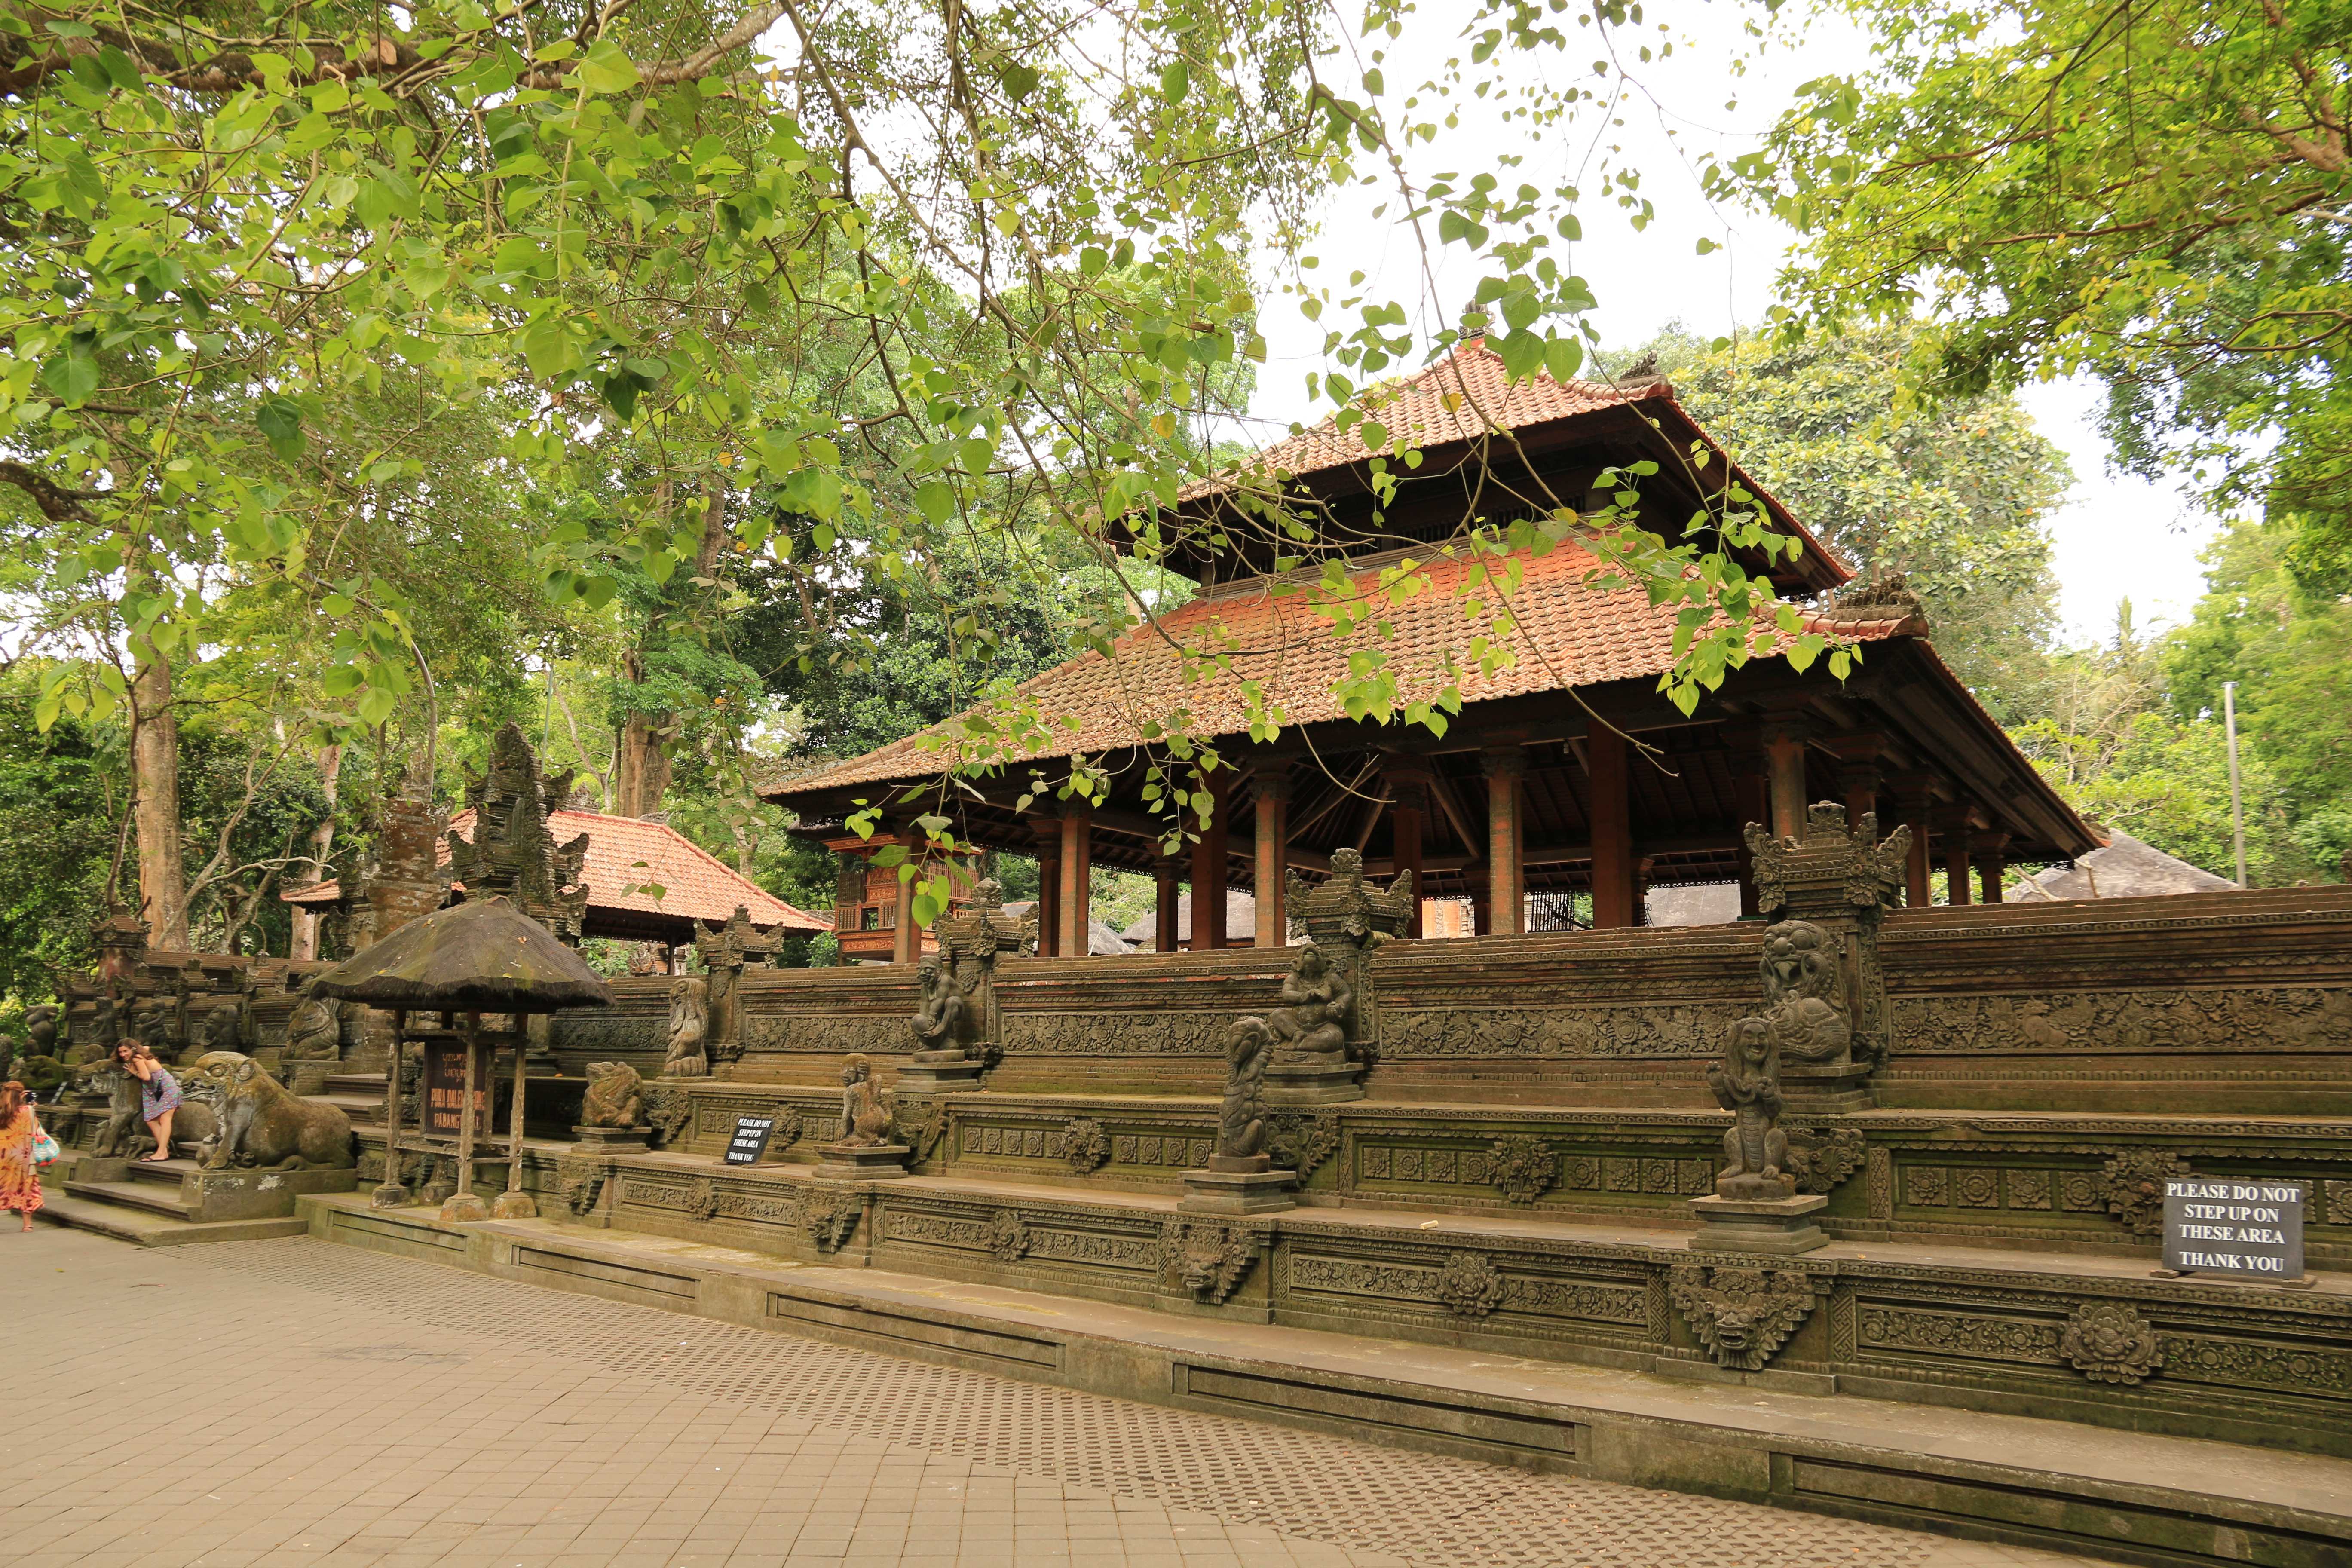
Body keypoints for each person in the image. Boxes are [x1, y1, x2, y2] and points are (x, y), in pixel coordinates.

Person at [124, 1044, 181, 1162]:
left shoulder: (137, 1058)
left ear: (132, 1050)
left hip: (166, 1087)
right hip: (154, 1090)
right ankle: (164, 1151)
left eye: (125, 1051)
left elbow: (145, 1076)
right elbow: (147, 1047)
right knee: (151, 1120)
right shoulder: (141, 1053)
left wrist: (134, 1072)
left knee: (165, 1119)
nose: (123, 1054)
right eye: (120, 1052)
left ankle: (161, 1153)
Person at [0, 1080, 44, 1230]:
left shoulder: (1, 1112)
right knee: (26, 1188)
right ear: (21, 1095)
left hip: (2, 1157)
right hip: (22, 1158)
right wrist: (31, 1107)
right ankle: (27, 1225)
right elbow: (35, 1129)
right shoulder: (27, 1111)